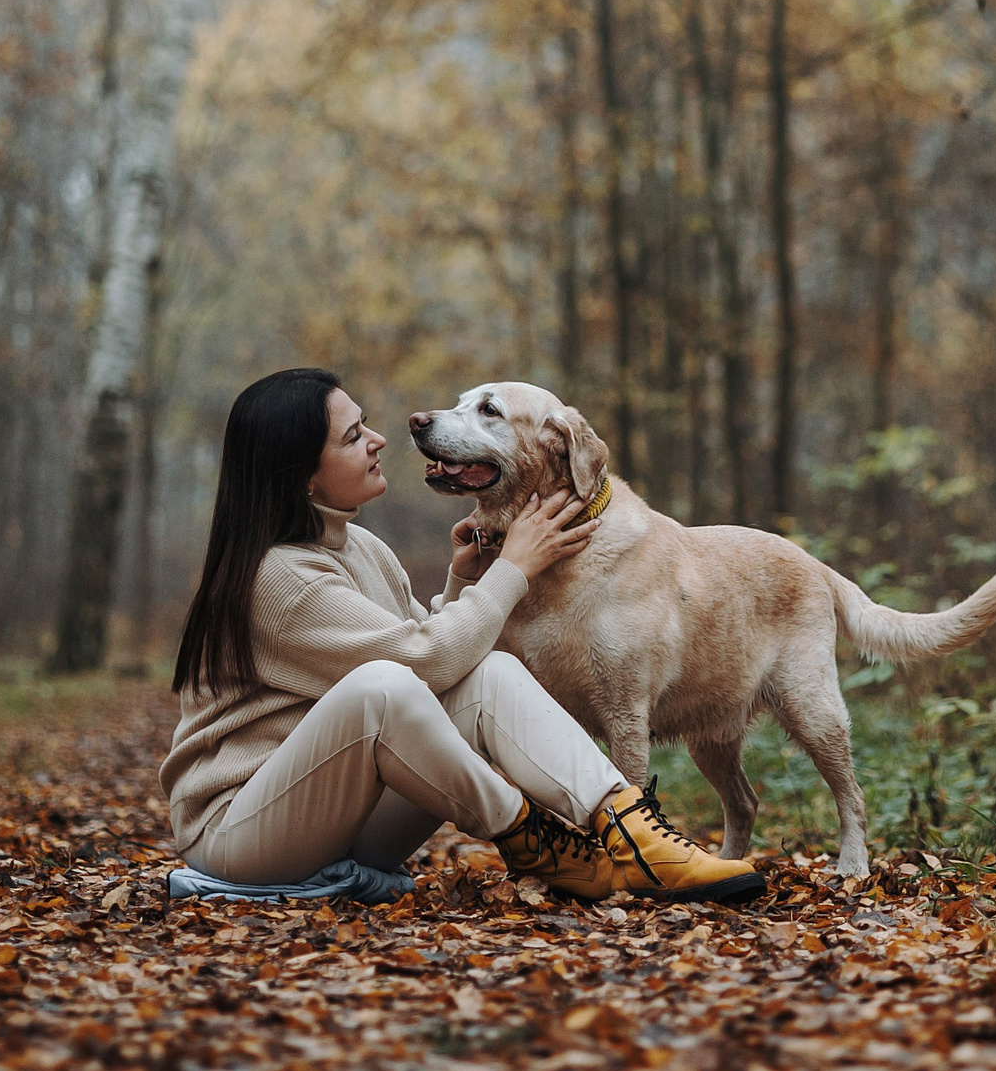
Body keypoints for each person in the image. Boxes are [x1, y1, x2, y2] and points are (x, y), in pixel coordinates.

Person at [157, 367, 763, 903]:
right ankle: (534, 840)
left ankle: (633, 832)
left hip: (342, 819)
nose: (380, 439)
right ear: (301, 477)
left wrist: (462, 581)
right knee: (384, 687)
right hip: (243, 834)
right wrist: (513, 571)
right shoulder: (278, 577)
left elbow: (428, 648)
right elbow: (414, 666)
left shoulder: (359, 545)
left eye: (364, 424)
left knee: (491, 671)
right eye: (352, 437)